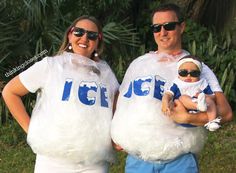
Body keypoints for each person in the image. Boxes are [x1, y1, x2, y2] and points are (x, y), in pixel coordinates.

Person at [111, 3, 232, 173]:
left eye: (169, 26)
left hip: (178, 161)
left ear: (182, 27)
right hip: (138, 160)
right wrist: (117, 133)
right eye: (156, 28)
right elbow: (123, 100)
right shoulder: (139, 63)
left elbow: (226, 113)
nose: (163, 32)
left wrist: (188, 118)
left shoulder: (195, 67)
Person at [2, 15, 119, 173]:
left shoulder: (106, 74)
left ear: (98, 42)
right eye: (79, 32)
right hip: (53, 162)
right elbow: (10, 92)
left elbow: (117, 108)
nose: (84, 38)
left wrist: (119, 136)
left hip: (94, 164)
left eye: (92, 35)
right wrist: (32, 131)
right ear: (70, 35)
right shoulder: (51, 66)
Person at [162, 55, 221, 131]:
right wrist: (165, 102)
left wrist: (206, 96)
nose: (188, 76)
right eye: (183, 72)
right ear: (178, 73)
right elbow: (168, 94)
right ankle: (198, 106)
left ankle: (212, 121)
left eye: (194, 73)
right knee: (182, 98)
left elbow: (213, 96)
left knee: (210, 101)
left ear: (199, 74)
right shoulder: (177, 83)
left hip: (199, 116)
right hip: (182, 112)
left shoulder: (202, 83)